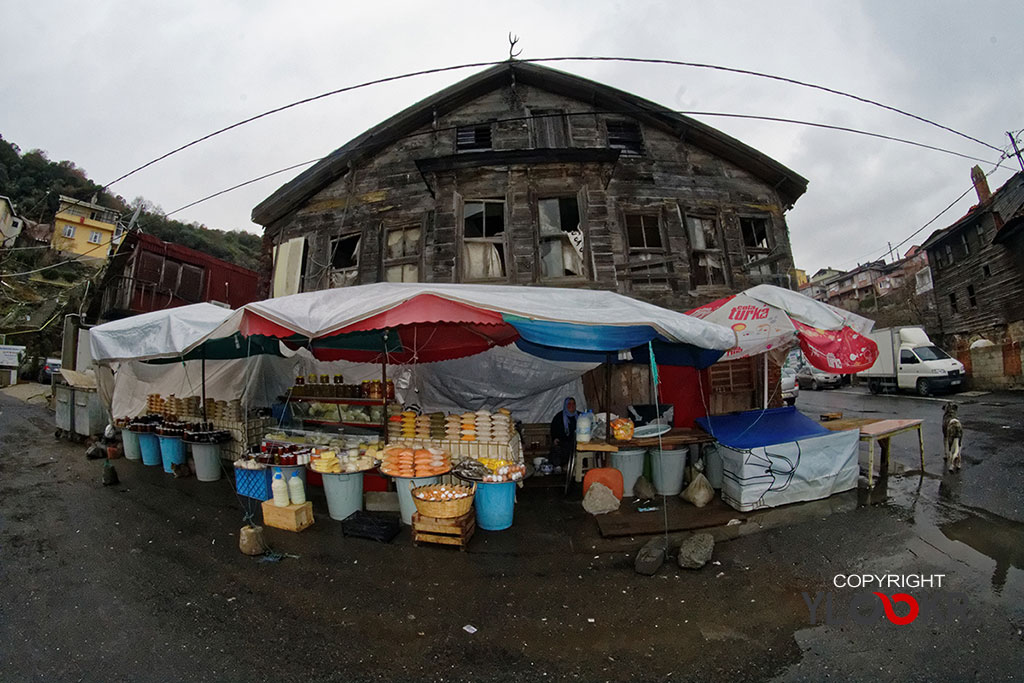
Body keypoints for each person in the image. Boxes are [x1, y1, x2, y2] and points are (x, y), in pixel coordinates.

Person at [549, 397, 577, 472]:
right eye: (569, 404)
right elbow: (554, 430)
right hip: (562, 443)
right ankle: (558, 467)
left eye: (573, 404)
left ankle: (572, 466)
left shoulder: (580, 416)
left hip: (575, 442)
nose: (571, 405)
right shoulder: (559, 417)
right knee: (557, 448)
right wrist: (555, 438)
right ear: (565, 405)